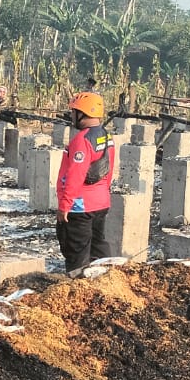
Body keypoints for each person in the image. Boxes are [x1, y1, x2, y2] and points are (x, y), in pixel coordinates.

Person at [55, 91, 115, 271]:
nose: (71, 116)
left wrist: (64, 205)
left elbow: (76, 174)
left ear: (82, 113)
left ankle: (77, 287)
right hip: (100, 202)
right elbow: (109, 170)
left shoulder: (82, 140)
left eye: (73, 112)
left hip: (80, 206)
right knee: (98, 245)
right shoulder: (106, 136)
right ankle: (106, 281)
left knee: (77, 252)